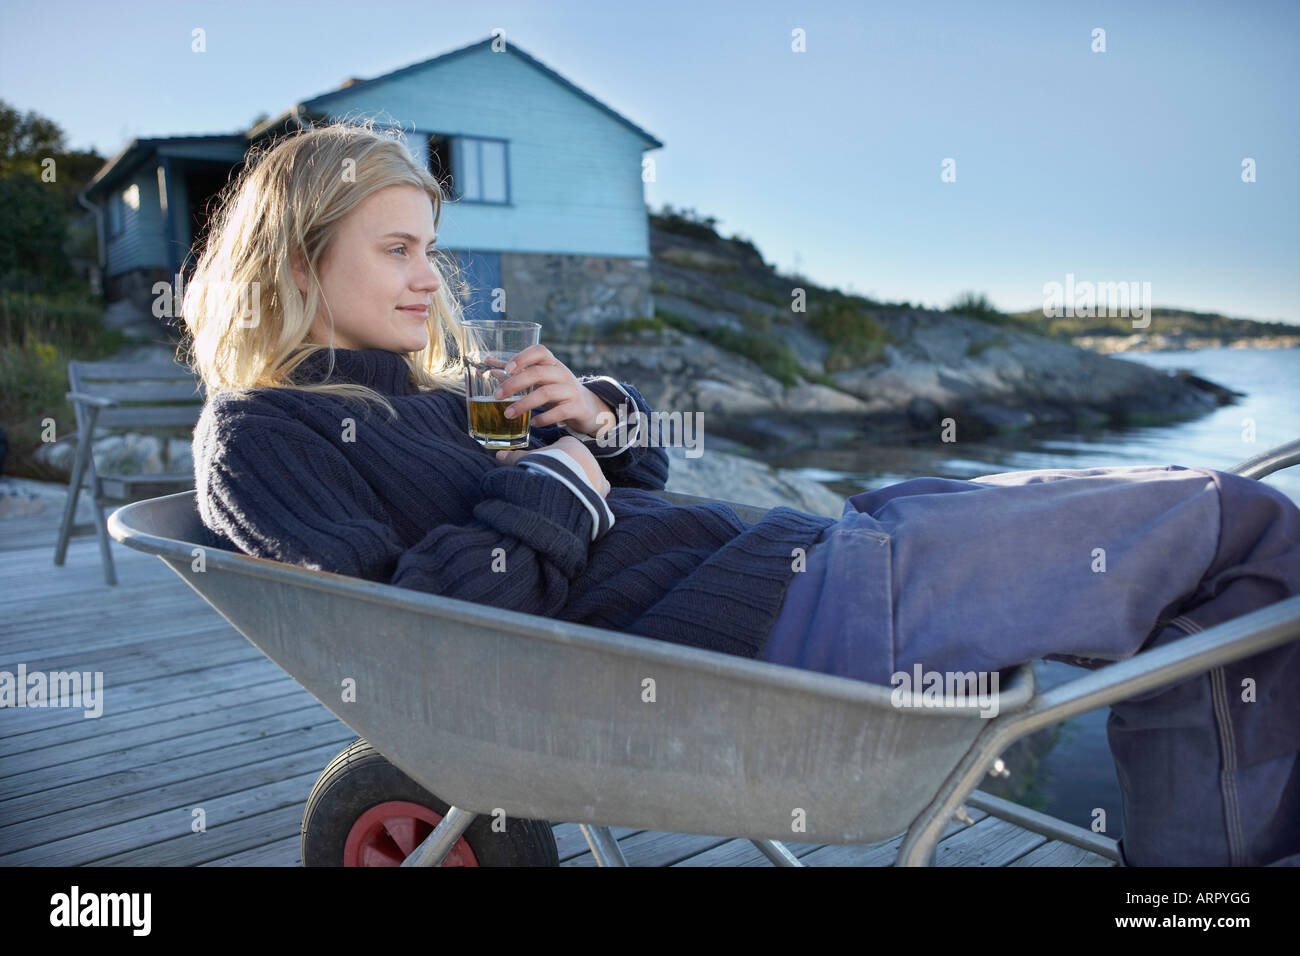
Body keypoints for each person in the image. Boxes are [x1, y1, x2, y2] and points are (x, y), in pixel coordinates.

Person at [180, 120, 1300, 867]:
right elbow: (419, 632)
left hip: (818, 558)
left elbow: (629, 486)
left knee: (1205, 527)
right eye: (397, 249)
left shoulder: (435, 395)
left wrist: (596, 420)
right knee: (1236, 536)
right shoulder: (258, 431)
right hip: (798, 618)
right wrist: (560, 483)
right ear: (293, 261)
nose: (432, 276)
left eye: (432, 247)